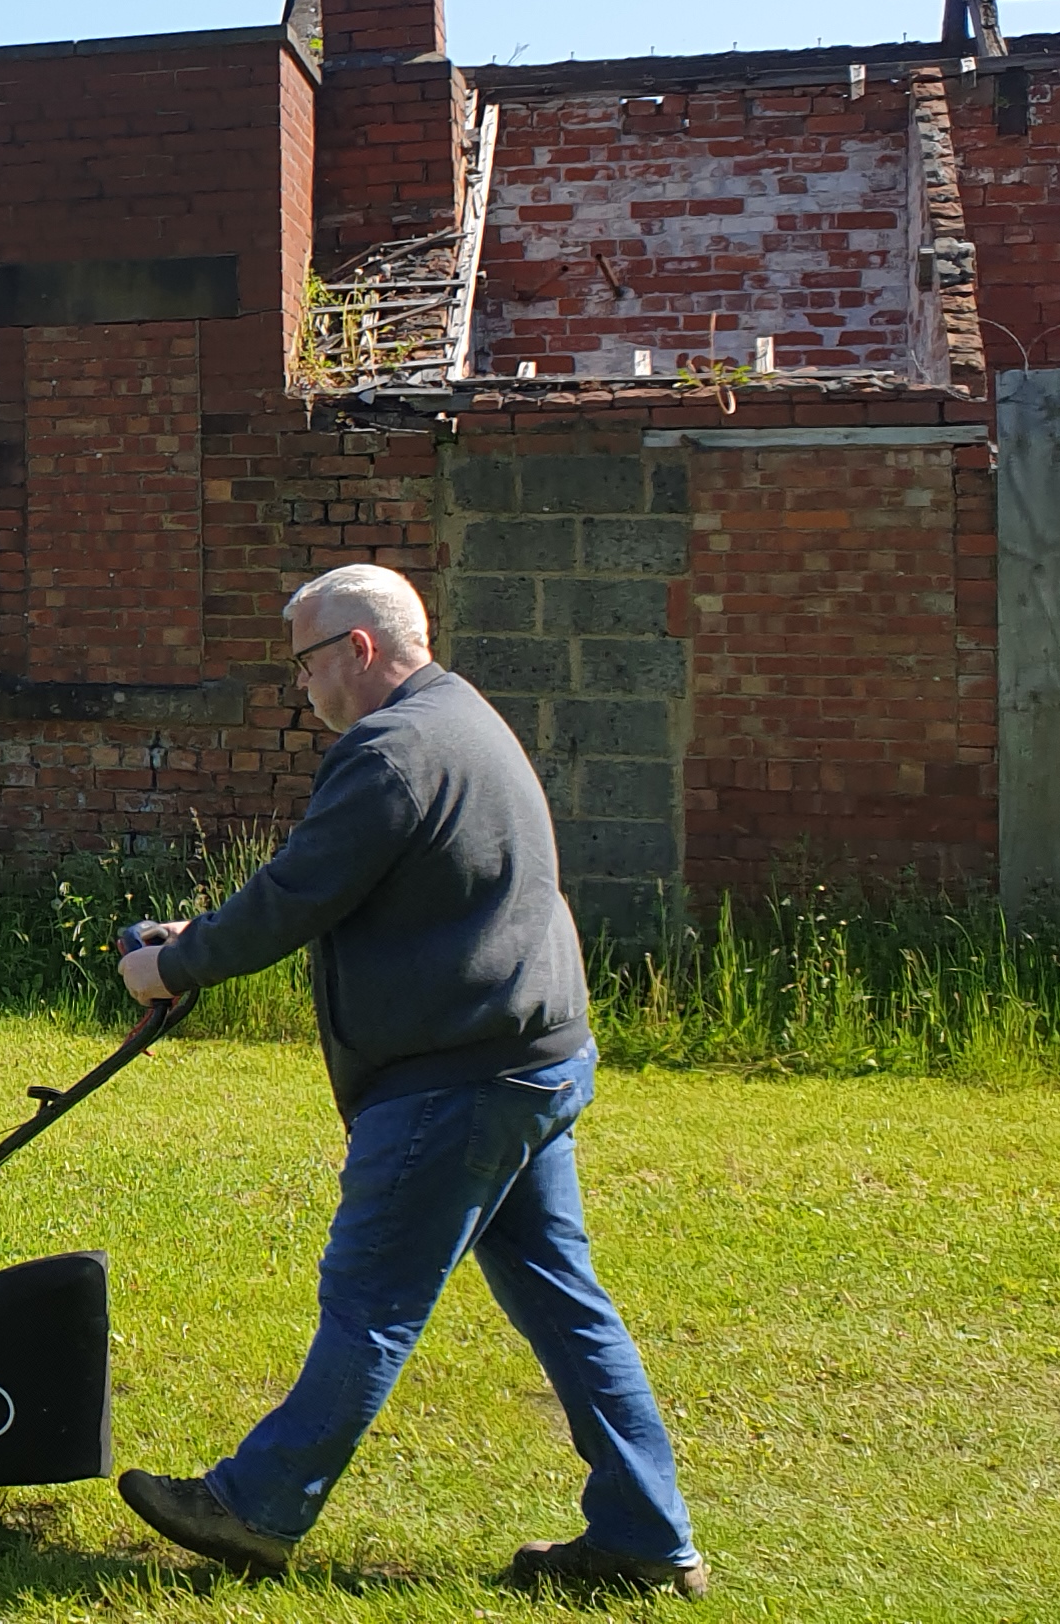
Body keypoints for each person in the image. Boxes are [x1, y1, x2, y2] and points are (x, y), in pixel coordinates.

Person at [109, 562, 705, 1596]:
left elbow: (296, 896)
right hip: (532, 1057)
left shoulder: (389, 751)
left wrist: (171, 964)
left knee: (371, 1301)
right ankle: (648, 1540)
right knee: (567, 1306)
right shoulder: (462, 718)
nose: (303, 691)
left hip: (458, 1076)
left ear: (359, 649)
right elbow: (360, 890)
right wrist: (198, 932)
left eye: (304, 667)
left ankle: (256, 1506)